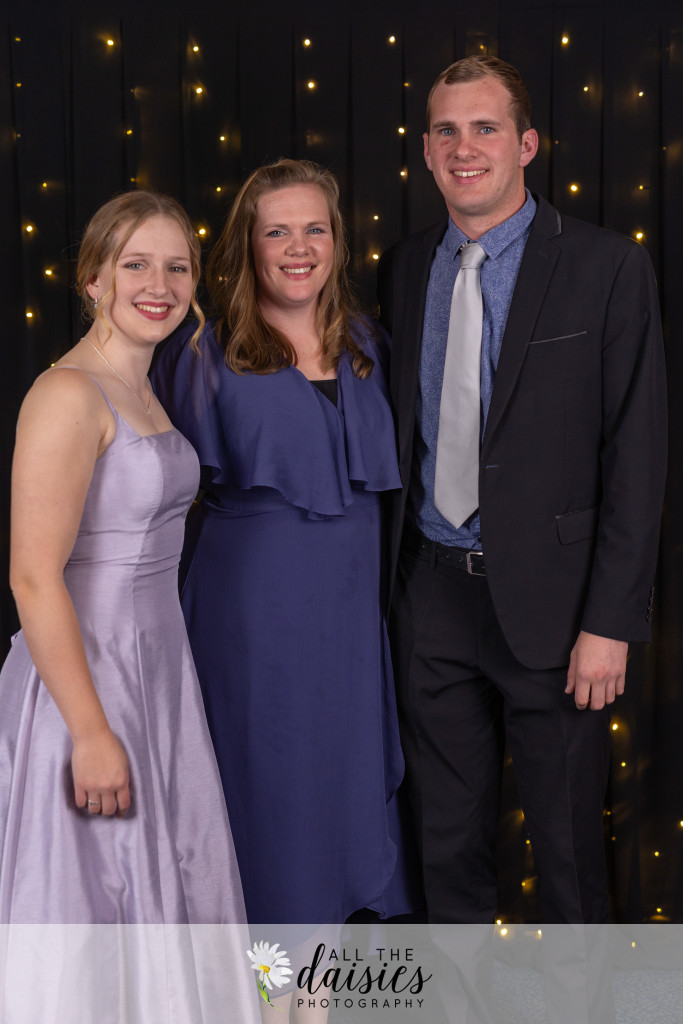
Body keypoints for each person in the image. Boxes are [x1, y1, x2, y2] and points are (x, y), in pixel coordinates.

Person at [377, 55, 667, 926]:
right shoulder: (404, 266)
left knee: (568, 847)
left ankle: (582, 997)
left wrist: (609, 622)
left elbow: (636, 455)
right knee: (443, 842)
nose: (463, 147)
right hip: (430, 596)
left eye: (485, 128)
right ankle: (459, 995)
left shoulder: (605, 266)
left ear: (527, 145)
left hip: (558, 609)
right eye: (445, 130)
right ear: (426, 151)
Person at [0, 191, 258, 1021]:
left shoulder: (142, 387)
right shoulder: (68, 394)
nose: (160, 284)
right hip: (86, 682)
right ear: (92, 279)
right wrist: (89, 733)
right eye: (135, 264)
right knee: (92, 903)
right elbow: (33, 578)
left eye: (177, 267)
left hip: (157, 672)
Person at [152, 158, 414, 935]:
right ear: (248, 244)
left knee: (344, 794)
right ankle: (269, 988)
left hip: (353, 625)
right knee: (270, 806)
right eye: (276, 232)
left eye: (314, 229)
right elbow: (155, 497)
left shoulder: (371, 346)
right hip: (251, 624)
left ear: (336, 241)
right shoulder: (204, 353)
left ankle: (319, 989)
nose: (298, 248)